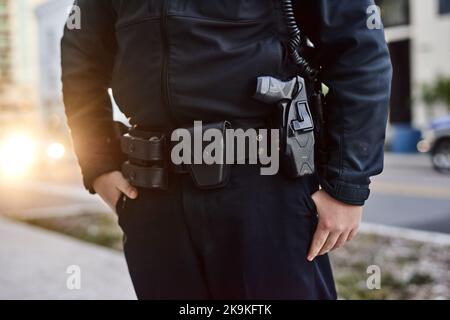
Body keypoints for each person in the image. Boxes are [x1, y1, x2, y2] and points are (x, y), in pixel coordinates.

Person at [61, 0, 392, 299]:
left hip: (266, 191)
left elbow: (360, 52)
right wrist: (100, 163)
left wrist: (347, 185)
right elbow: (81, 62)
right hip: (154, 196)